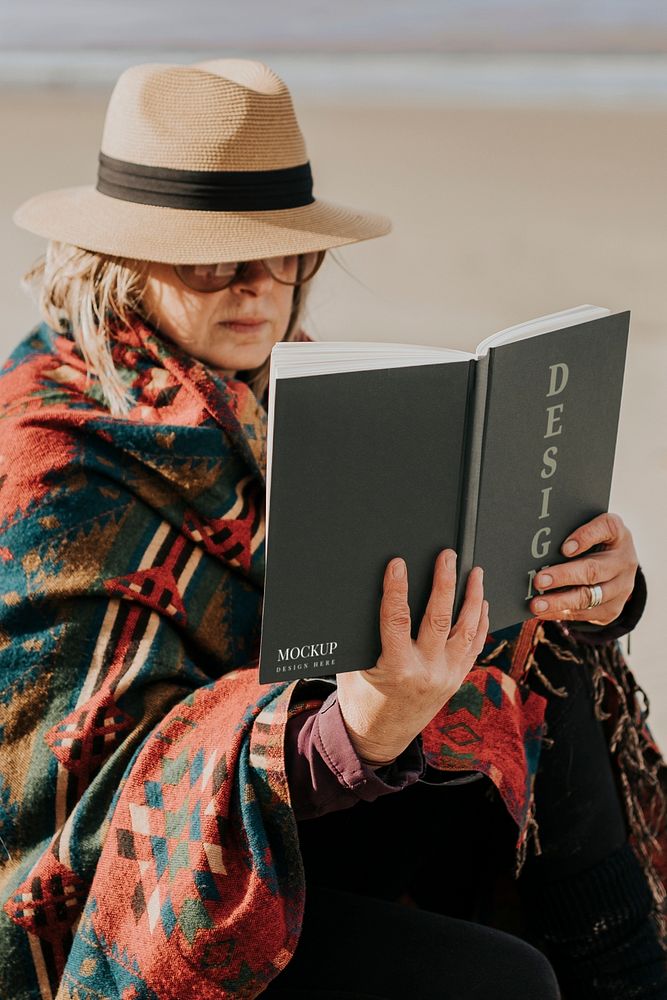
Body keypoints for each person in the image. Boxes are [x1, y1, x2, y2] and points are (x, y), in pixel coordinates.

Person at [0, 58, 664, 1000]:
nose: (259, 290)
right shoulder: (49, 458)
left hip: (317, 811)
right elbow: (88, 807)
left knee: (522, 634)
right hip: (139, 902)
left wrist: (595, 585)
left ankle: (633, 975)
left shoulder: (292, 395)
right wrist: (353, 731)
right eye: (214, 259)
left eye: (287, 255)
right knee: (502, 982)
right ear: (118, 258)